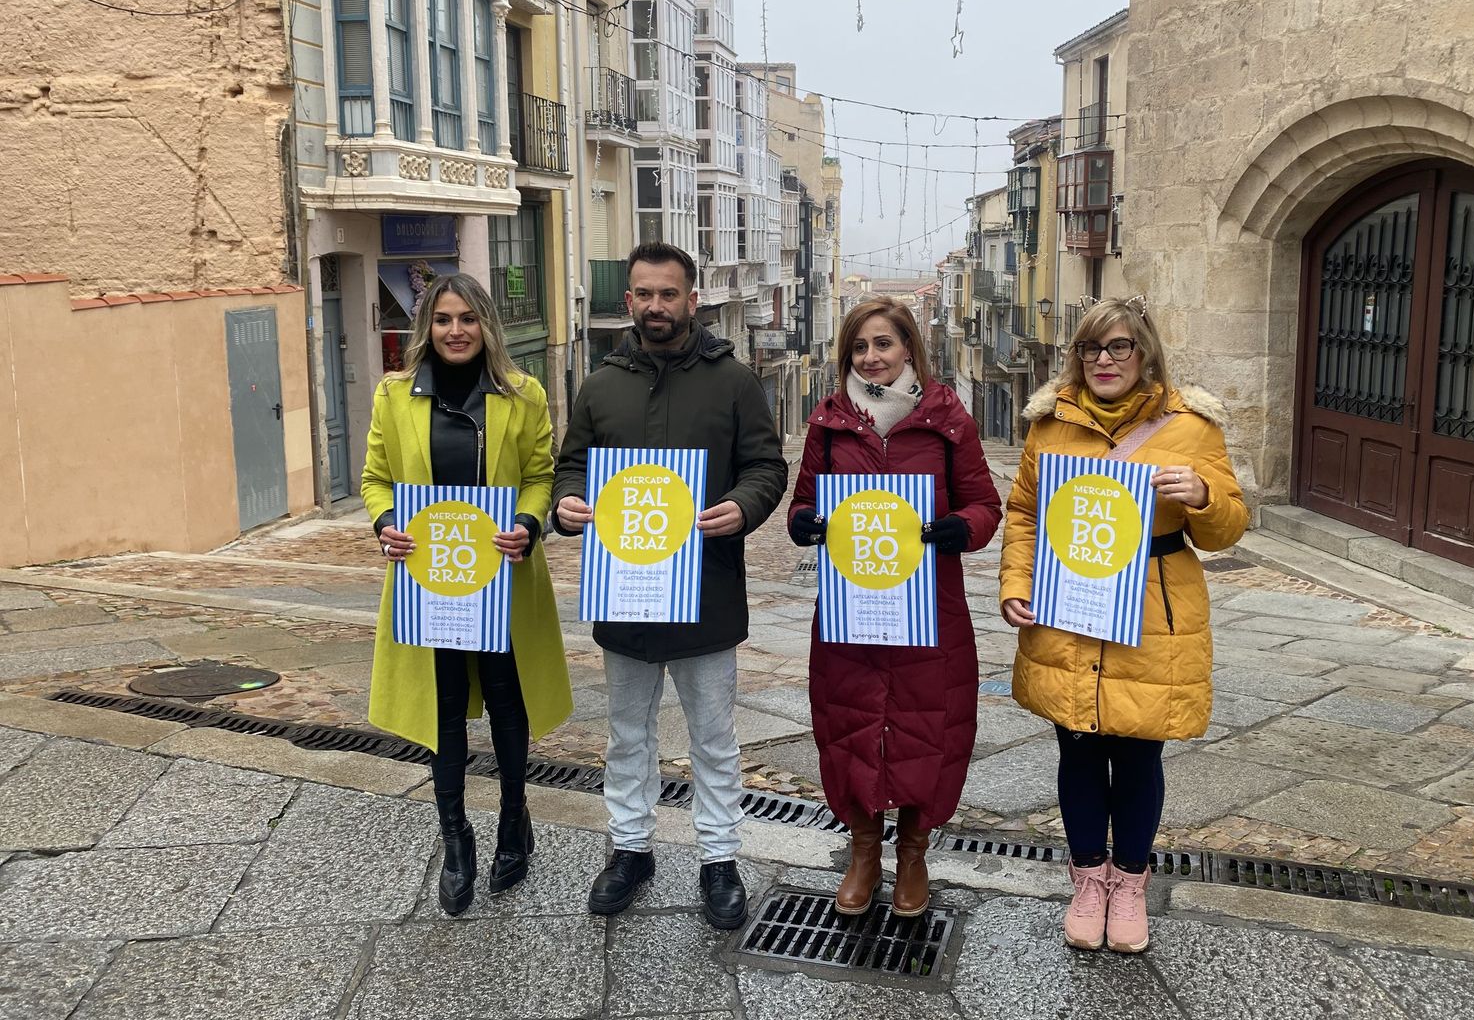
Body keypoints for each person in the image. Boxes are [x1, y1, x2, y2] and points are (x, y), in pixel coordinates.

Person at [999, 297, 1248, 955]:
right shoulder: (1051, 425)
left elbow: (1228, 528)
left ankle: (1129, 885)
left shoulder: (1191, 426)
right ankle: (1088, 882)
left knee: (1140, 751)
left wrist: (1202, 498)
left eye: (1118, 348)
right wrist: (1016, 583)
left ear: (1145, 353)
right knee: (1077, 747)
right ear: (1076, 356)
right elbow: (1024, 511)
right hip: (1071, 602)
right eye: (1091, 348)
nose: (1104, 361)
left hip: (1152, 610)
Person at [550, 241, 788, 930]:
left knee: (713, 736)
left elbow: (766, 467)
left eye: (669, 293)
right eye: (644, 294)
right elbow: (572, 468)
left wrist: (744, 507)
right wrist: (568, 505)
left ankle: (719, 859)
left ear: (693, 298)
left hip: (706, 592)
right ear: (629, 300)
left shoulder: (735, 381)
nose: (656, 305)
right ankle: (630, 850)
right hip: (625, 593)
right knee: (627, 734)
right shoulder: (599, 386)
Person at [361, 273, 573, 916]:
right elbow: (375, 479)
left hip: (503, 576)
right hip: (430, 581)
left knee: (509, 701)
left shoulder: (523, 393)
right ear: (428, 327)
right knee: (443, 706)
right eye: (444, 319)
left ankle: (515, 819)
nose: (456, 331)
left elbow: (540, 474)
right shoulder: (394, 394)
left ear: (487, 325)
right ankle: (456, 839)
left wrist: (530, 525)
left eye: (468, 319)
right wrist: (383, 524)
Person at [786, 297, 1002, 918]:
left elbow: (984, 505)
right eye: (860, 347)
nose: (872, 357)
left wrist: (960, 528)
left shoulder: (946, 419)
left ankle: (912, 851)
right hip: (851, 608)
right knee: (850, 722)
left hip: (927, 606)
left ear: (909, 348)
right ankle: (862, 849)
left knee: (925, 724)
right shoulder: (828, 424)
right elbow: (804, 503)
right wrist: (808, 524)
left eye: (883, 344)